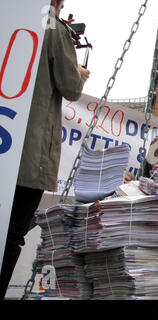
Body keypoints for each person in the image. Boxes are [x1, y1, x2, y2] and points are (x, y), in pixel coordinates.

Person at [0, 0, 90, 300]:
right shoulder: (53, 26)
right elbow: (71, 87)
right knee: (12, 235)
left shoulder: (9, 18)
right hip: (29, 153)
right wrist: (78, 70)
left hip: (6, 143)